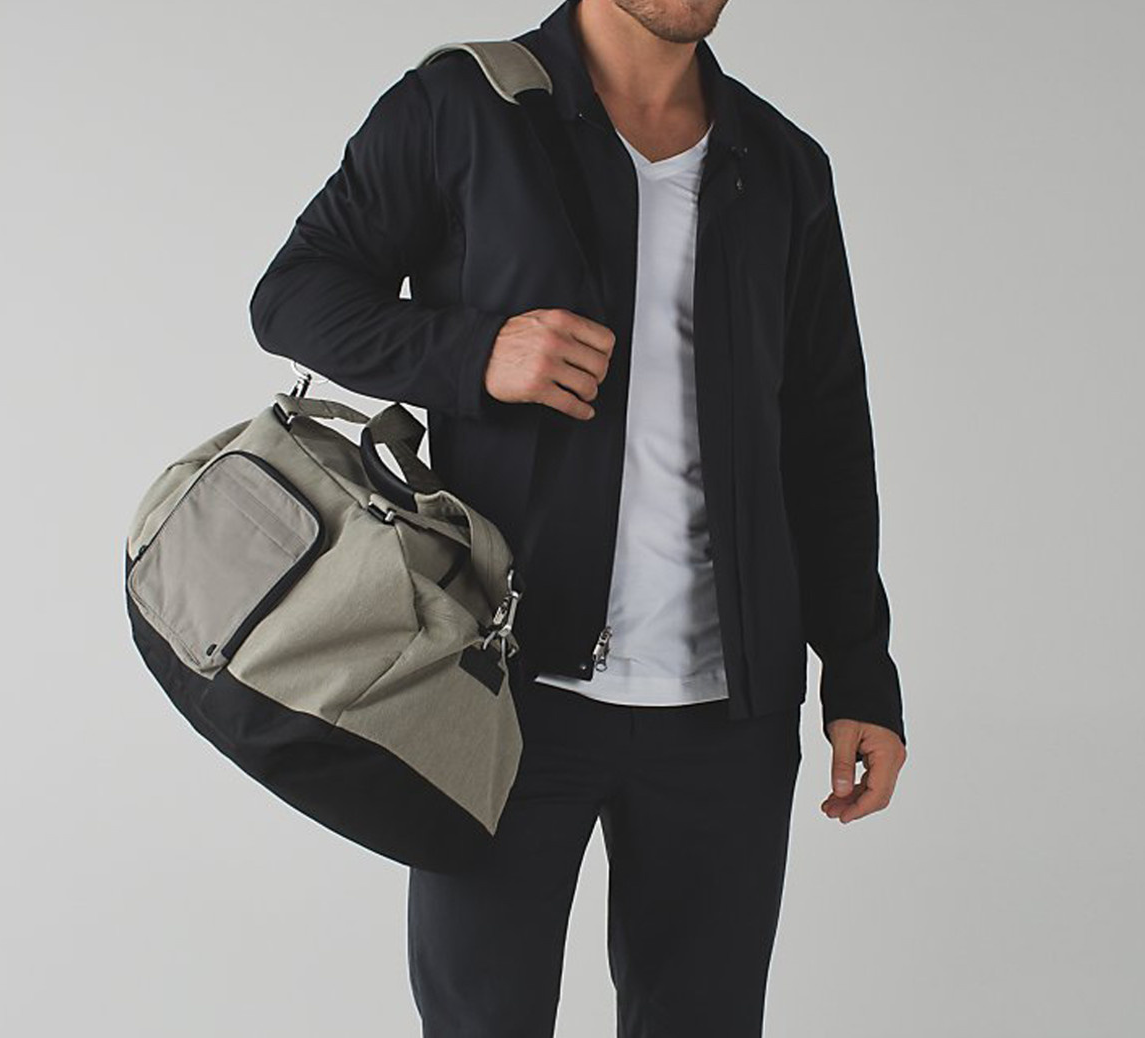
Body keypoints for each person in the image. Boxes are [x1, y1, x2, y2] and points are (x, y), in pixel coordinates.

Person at [249, 1, 908, 1034]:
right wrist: (475, 353)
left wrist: (860, 671)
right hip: (497, 694)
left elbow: (824, 435)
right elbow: (293, 295)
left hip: (727, 717)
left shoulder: (781, 165)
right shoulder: (466, 106)